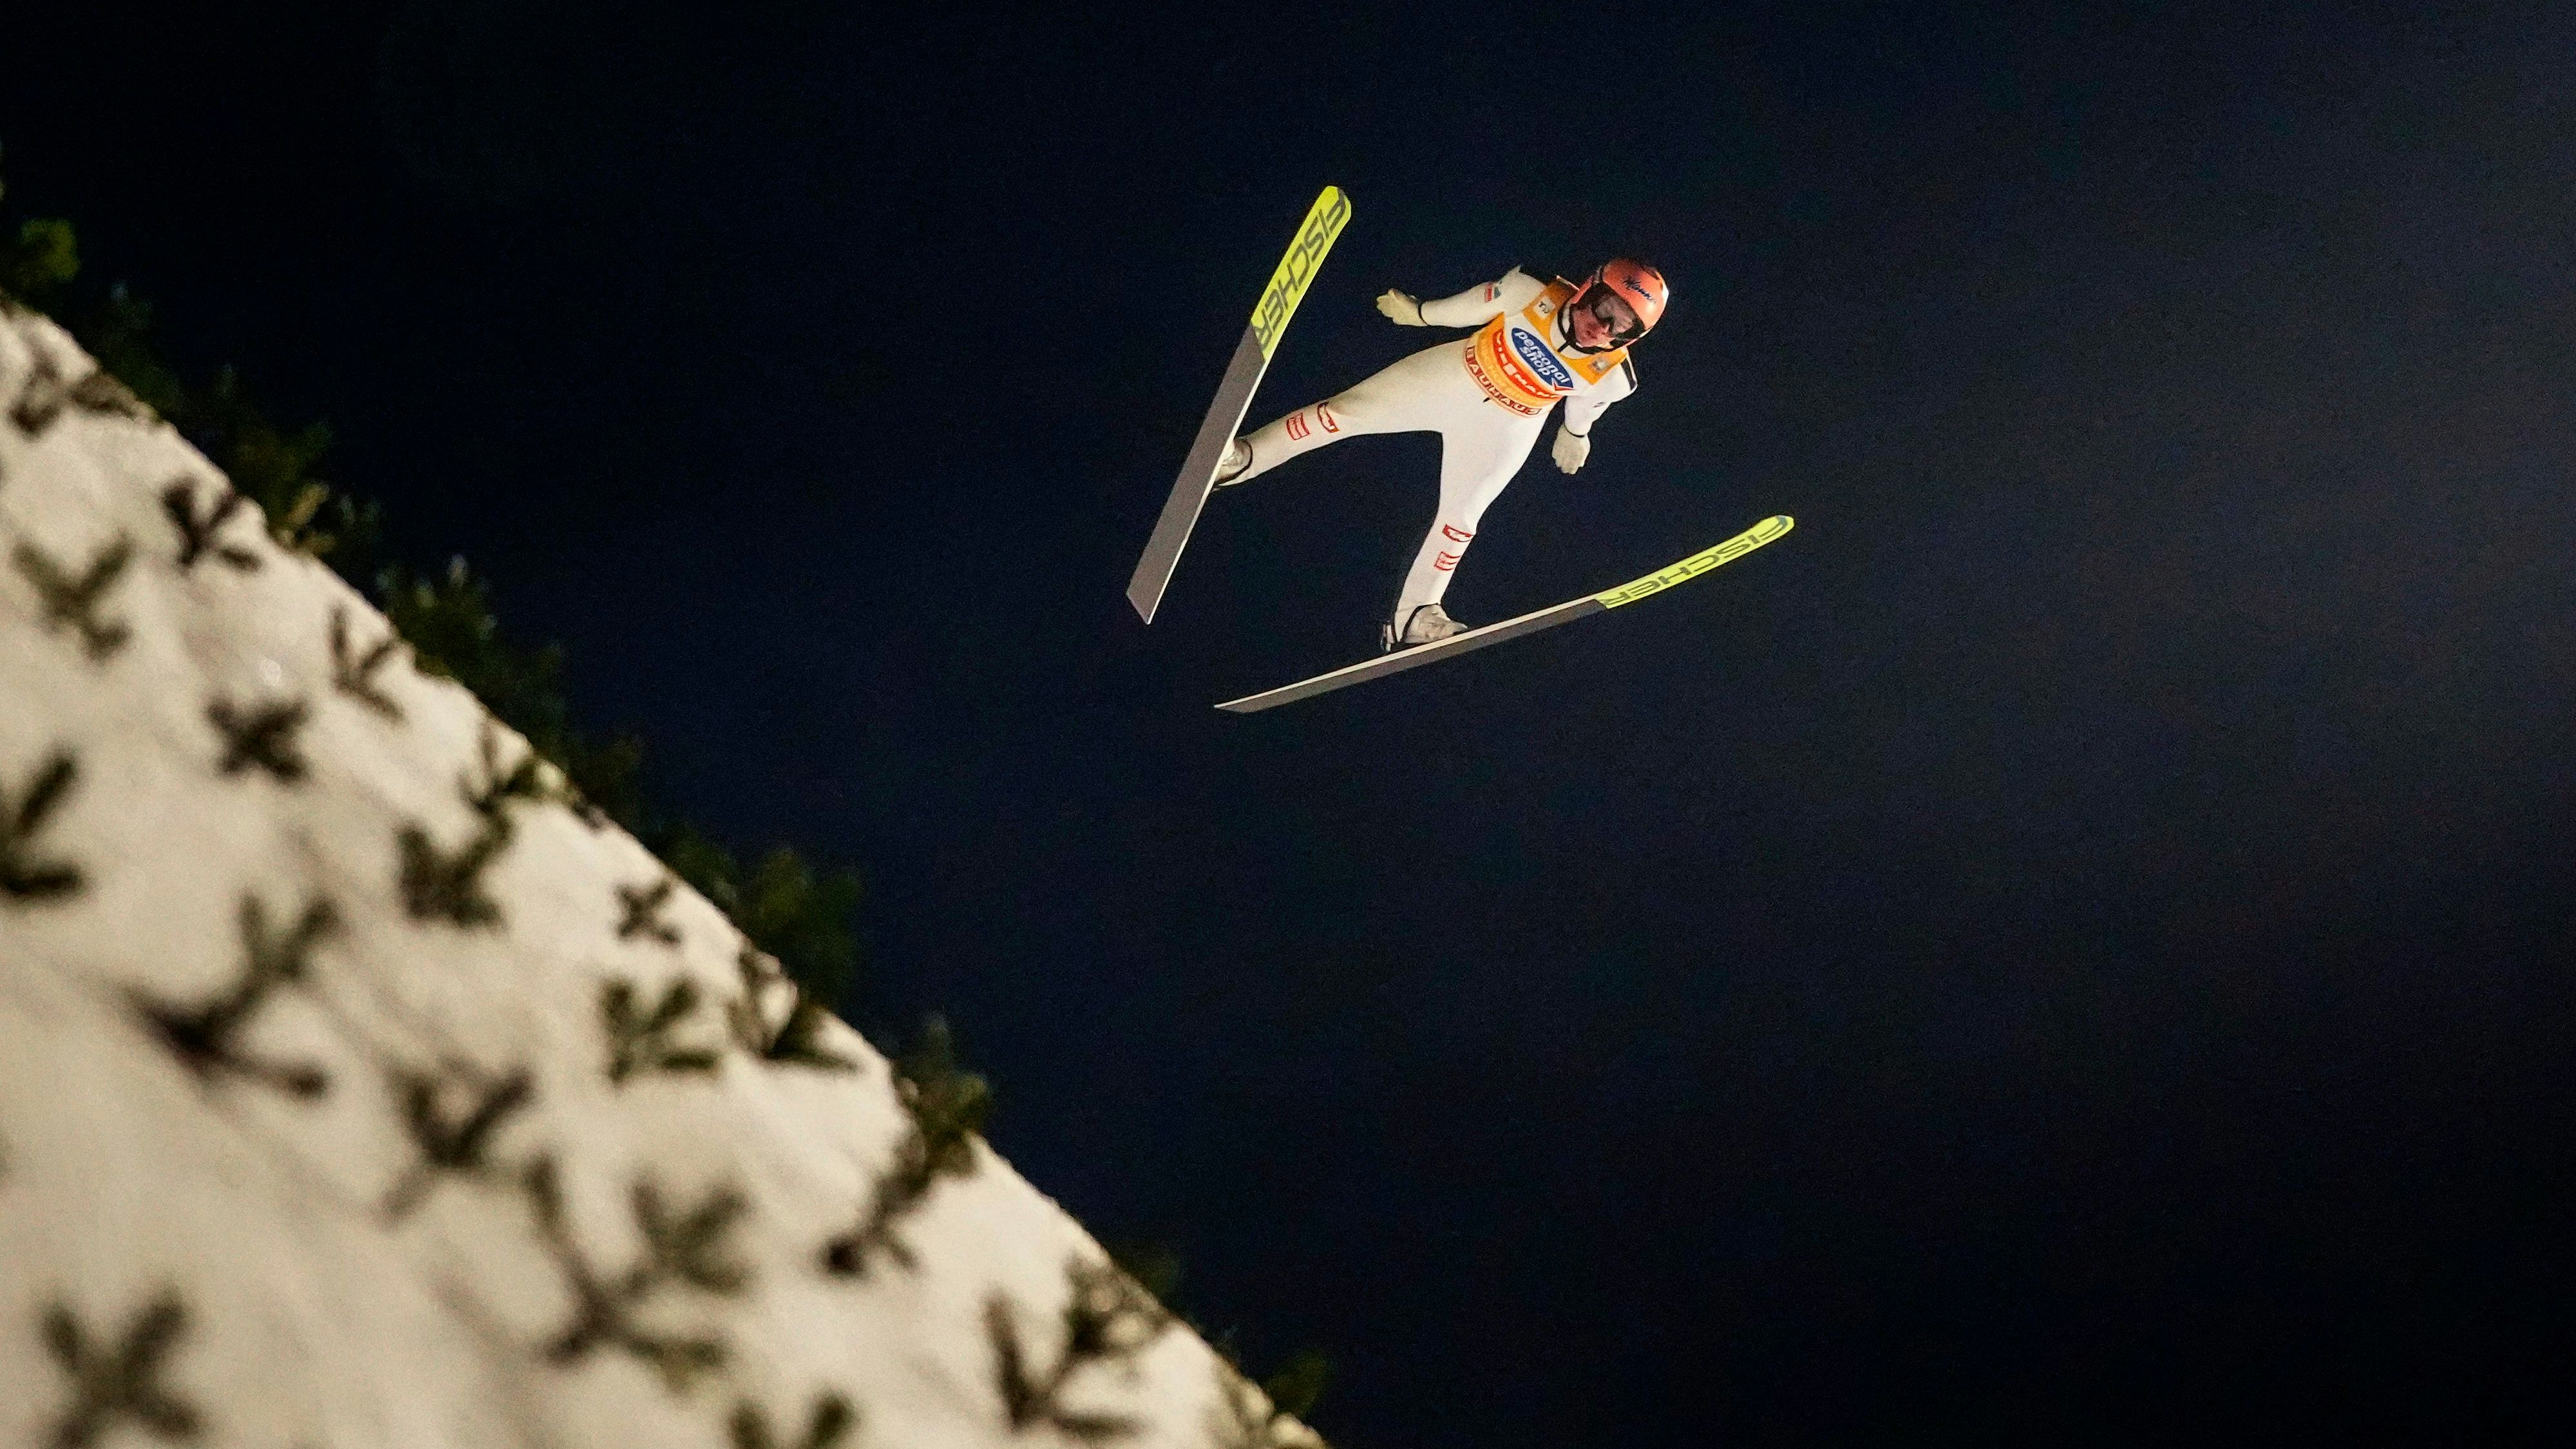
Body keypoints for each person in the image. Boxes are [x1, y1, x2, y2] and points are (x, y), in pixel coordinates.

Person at [1211, 259, 1669, 649]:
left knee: (1461, 520)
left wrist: (1575, 433)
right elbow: (1474, 304)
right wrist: (1421, 314)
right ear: (1589, 288)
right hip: (1456, 375)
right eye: (1604, 308)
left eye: (1621, 326)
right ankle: (1243, 459)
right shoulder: (1533, 290)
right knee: (1342, 415)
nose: (1601, 327)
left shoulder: (1613, 376)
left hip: (1509, 425)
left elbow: (1587, 405)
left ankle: (1416, 616)